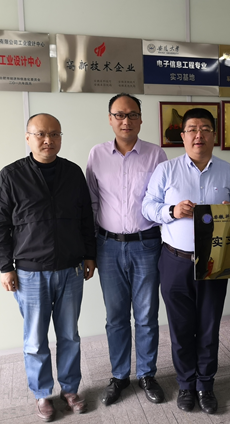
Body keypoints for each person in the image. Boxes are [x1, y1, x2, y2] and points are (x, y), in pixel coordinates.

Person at [0, 113, 96, 422]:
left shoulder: (73, 173)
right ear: (28, 138)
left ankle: (70, 389)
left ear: (61, 137)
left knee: (70, 335)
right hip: (29, 273)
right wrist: (4, 267)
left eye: (55, 134)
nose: (48, 140)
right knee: (35, 340)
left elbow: (86, 217)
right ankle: (42, 393)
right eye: (41, 134)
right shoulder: (10, 176)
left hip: (71, 270)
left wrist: (90, 255)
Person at [142, 108, 230, 415]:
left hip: (214, 259)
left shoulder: (227, 170)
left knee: (209, 326)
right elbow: (147, 207)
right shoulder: (166, 170)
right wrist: (172, 211)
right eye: (192, 129)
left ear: (214, 135)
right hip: (175, 260)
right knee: (181, 327)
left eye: (205, 129)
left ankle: (205, 385)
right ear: (183, 136)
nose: (199, 135)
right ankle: (186, 384)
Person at [86, 93, 168, 406]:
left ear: (141, 119)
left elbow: (163, 199)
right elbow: (91, 202)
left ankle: (147, 374)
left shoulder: (156, 154)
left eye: (132, 114)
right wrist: (90, 248)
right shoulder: (96, 154)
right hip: (107, 247)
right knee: (116, 316)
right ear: (110, 119)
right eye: (119, 115)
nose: (126, 121)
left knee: (146, 315)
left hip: (147, 245)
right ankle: (119, 376)